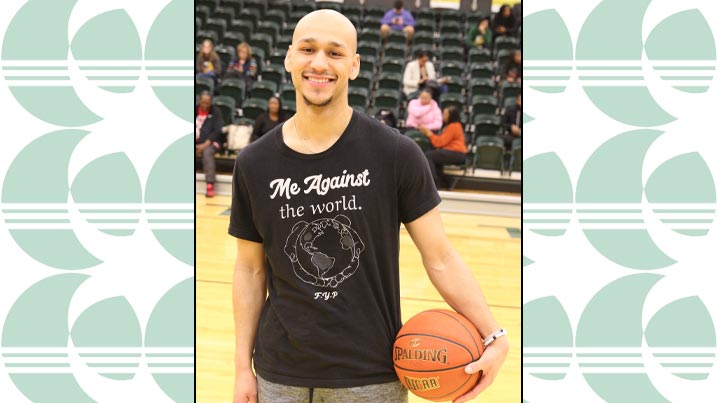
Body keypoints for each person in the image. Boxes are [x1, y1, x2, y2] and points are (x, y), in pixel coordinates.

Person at [230, 10, 508, 403]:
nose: (320, 63)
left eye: (335, 52)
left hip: (370, 375)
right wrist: (243, 367)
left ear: (355, 65)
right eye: (308, 49)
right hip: (278, 373)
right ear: (290, 57)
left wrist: (493, 335)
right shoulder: (254, 163)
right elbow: (249, 268)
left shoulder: (396, 154)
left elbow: (440, 257)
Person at [418, 106, 467, 190]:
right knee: (434, 160)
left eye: (445, 114)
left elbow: (439, 143)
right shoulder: (454, 126)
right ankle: (448, 180)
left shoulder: (453, 126)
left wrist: (429, 133)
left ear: (451, 115)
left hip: (456, 153)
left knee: (428, 156)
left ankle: (433, 182)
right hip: (455, 153)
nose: (443, 115)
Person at [195, 91, 224, 198]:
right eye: (203, 103)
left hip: (212, 142)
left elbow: (217, 131)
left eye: (207, 103)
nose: (205, 105)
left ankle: (210, 184)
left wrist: (205, 144)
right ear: (200, 101)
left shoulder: (216, 112)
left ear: (211, 102)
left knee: (207, 153)